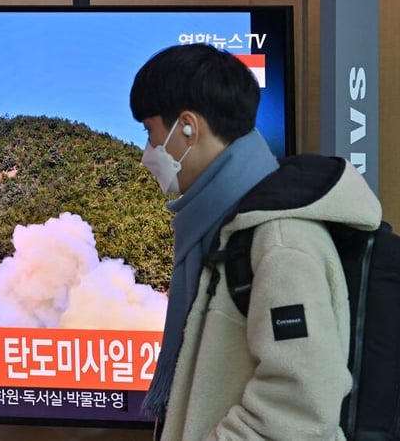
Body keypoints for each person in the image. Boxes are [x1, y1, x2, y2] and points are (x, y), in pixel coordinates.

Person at [129, 43, 382, 440]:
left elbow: (302, 406)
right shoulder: (224, 225)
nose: (148, 152)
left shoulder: (279, 240)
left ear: (188, 127)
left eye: (150, 132)